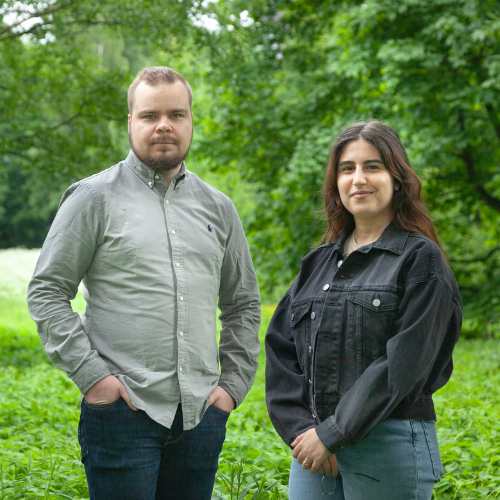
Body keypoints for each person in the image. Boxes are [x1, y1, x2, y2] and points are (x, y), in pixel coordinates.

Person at [27, 66, 261, 500]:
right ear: (130, 122)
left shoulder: (219, 207)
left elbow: (243, 304)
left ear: (191, 121)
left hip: (201, 416)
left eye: (176, 114)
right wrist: (94, 377)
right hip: (120, 415)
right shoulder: (92, 198)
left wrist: (232, 387)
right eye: (150, 115)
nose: (164, 125)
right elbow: (47, 292)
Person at [265, 121, 462, 499]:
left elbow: (404, 364)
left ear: (397, 178)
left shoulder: (420, 260)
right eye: (347, 168)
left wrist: (335, 433)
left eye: (373, 166)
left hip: (389, 443)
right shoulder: (317, 263)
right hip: (313, 451)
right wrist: (304, 433)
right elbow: (280, 351)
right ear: (336, 183)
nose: (359, 178)